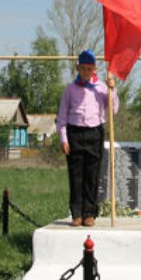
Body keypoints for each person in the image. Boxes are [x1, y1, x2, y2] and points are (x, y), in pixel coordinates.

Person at [56, 49, 118, 227]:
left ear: (95, 70)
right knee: (76, 176)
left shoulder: (102, 88)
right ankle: (76, 213)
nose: (86, 72)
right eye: (83, 68)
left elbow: (113, 109)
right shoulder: (69, 89)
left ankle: (89, 213)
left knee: (92, 176)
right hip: (75, 133)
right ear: (77, 68)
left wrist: (112, 90)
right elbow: (61, 117)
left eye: (90, 69)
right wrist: (63, 138)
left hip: (94, 133)